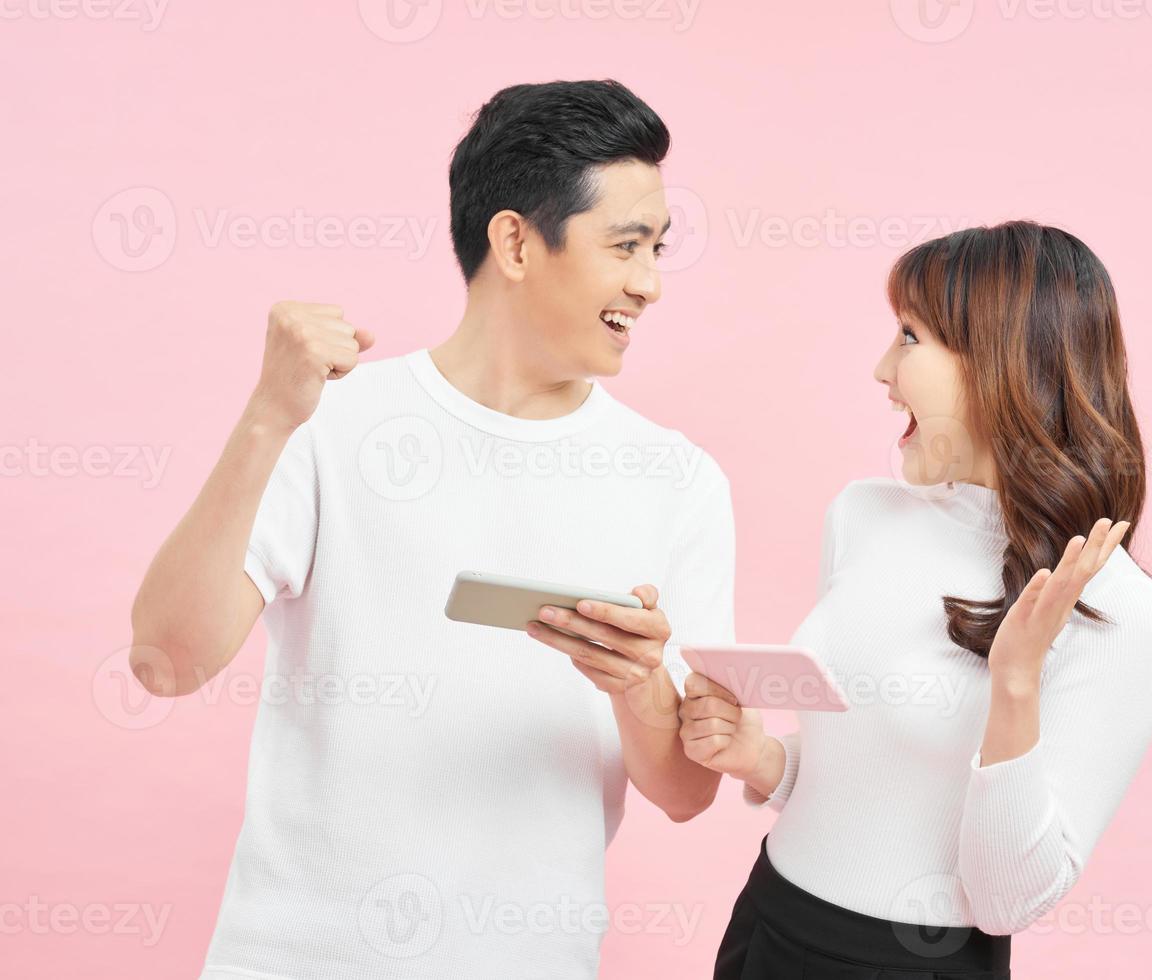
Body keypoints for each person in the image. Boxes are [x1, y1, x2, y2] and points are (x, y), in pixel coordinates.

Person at [128, 79, 735, 979]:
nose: (648, 284)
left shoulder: (675, 479)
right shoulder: (327, 421)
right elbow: (165, 661)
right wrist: (266, 419)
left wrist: (637, 685)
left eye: (658, 250)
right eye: (626, 246)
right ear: (516, 242)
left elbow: (686, 792)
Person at [679, 221, 1152, 979]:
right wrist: (759, 758)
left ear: (999, 360)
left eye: (909, 338)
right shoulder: (862, 515)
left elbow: (1007, 901)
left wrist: (1013, 684)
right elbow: (873, 764)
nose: (882, 369)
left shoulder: (1119, 612)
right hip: (769, 923)